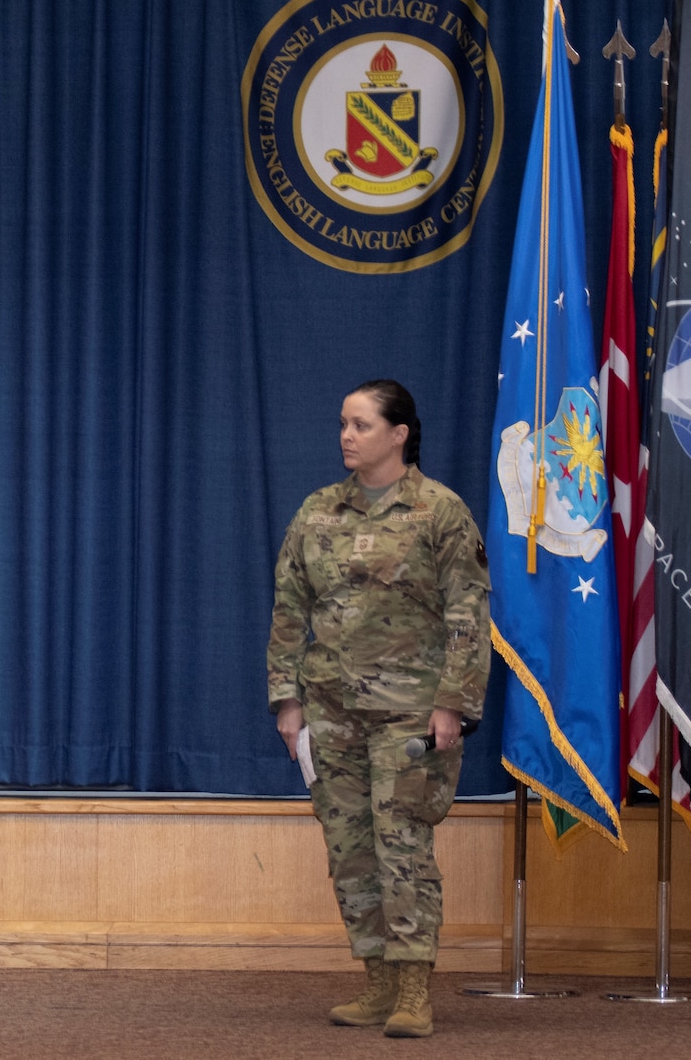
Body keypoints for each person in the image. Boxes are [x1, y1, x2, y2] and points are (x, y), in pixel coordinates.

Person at [266, 379, 489, 1039]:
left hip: (410, 716)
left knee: (403, 846)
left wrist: (453, 705)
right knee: (351, 849)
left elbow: (467, 616)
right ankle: (377, 981)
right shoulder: (318, 511)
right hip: (331, 712)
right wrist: (287, 699)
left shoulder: (439, 512)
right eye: (343, 423)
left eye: (361, 424)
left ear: (398, 434)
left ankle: (415, 988)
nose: (346, 434)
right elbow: (288, 609)